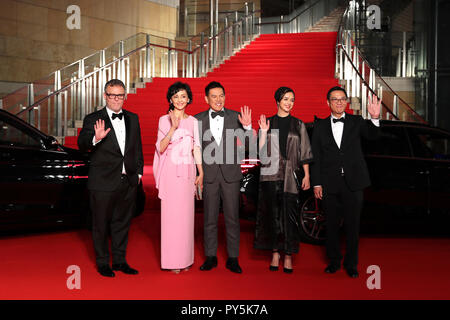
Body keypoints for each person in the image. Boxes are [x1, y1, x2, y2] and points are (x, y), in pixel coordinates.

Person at [310, 86, 381, 278]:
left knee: (352, 225)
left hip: (354, 182)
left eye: (342, 99)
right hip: (329, 182)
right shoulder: (320, 126)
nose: (339, 102)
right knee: (331, 225)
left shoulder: (357, 122)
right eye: (335, 99)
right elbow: (315, 157)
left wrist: (374, 119)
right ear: (328, 103)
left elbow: (373, 137)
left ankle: (351, 264)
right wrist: (316, 183)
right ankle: (333, 262)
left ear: (347, 102)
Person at [78, 79, 144, 277]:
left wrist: (138, 173)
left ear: (124, 96)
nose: (116, 99)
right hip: (103, 182)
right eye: (112, 95)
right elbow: (82, 144)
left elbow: (137, 147)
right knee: (100, 224)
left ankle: (120, 261)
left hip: (128, 181)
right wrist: (95, 138)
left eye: (120, 95)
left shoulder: (133, 117)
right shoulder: (93, 118)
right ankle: (103, 263)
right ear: (105, 96)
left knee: (122, 223)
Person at [194, 81, 252, 274]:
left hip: (231, 175)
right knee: (209, 218)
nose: (218, 100)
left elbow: (249, 146)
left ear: (225, 97)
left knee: (232, 218)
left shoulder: (236, 117)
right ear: (206, 99)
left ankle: (233, 258)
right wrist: (197, 174)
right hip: (209, 175)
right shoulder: (197, 120)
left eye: (221, 96)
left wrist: (248, 127)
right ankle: (210, 257)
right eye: (214, 96)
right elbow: (194, 149)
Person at [253, 87, 313, 274]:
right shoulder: (268, 122)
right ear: (277, 100)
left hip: (290, 176)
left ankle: (288, 255)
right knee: (272, 215)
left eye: (292, 100)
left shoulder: (299, 125)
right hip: (270, 175)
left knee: (289, 217)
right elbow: (261, 153)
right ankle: (275, 253)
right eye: (285, 99)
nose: (289, 102)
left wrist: (307, 175)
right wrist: (263, 133)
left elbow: (304, 151)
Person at [153, 82, 204, 274]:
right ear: (170, 100)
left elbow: (196, 147)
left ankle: (185, 259)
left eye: (183, 96)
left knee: (186, 219)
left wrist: (201, 171)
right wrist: (173, 128)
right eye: (176, 96)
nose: (180, 100)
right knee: (171, 219)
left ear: (189, 98)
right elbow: (161, 147)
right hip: (170, 174)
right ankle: (172, 261)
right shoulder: (163, 120)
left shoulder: (194, 122)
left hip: (188, 173)